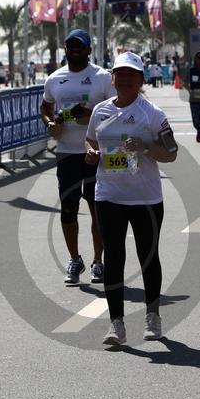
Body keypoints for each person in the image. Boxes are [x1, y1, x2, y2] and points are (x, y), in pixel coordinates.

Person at [84, 51, 178, 345]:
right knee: (113, 258)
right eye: (120, 73)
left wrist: (145, 148)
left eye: (131, 74)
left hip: (145, 199)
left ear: (140, 80)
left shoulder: (153, 114)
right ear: (112, 78)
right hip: (108, 195)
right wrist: (91, 152)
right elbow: (91, 139)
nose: (125, 79)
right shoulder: (100, 110)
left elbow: (172, 152)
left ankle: (153, 316)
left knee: (148, 256)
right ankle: (116, 324)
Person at [40, 29, 114, 285]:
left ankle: (98, 261)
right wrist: (50, 123)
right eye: (70, 46)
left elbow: (115, 109)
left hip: (95, 152)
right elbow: (45, 106)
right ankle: (74, 259)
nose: (74, 50)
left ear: (88, 49)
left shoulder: (102, 77)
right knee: (68, 209)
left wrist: (89, 115)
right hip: (66, 153)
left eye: (79, 46)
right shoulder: (55, 78)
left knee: (97, 209)